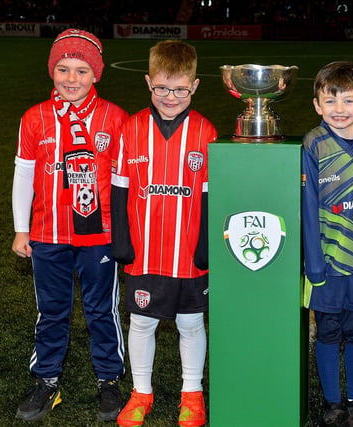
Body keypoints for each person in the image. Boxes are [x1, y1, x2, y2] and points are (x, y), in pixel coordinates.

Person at [11, 28, 127, 422]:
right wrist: (21, 228)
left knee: (101, 309)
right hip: (47, 234)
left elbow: (124, 181)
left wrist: (126, 232)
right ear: (52, 71)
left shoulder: (114, 117)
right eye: (63, 69)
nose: (71, 79)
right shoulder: (35, 117)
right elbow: (24, 175)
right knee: (52, 310)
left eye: (81, 70)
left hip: (100, 235)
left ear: (96, 75)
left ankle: (109, 381)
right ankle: (46, 381)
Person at [111, 40, 217, 427]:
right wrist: (121, 240)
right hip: (144, 250)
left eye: (180, 89)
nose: (170, 97)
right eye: (162, 88)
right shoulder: (130, 128)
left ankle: (192, 393)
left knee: (191, 323)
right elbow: (120, 187)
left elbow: (208, 195)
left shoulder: (205, 131)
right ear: (148, 83)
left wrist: (205, 245)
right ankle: (141, 391)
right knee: (142, 322)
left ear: (195, 86)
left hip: (188, 252)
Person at [302, 61, 353, 427]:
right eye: (330, 102)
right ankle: (333, 403)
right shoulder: (313, 144)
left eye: (348, 101)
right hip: (327, 261)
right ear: (317, 105)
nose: (339, 110)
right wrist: (312, 262)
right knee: (329, 331)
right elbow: (306, 205)